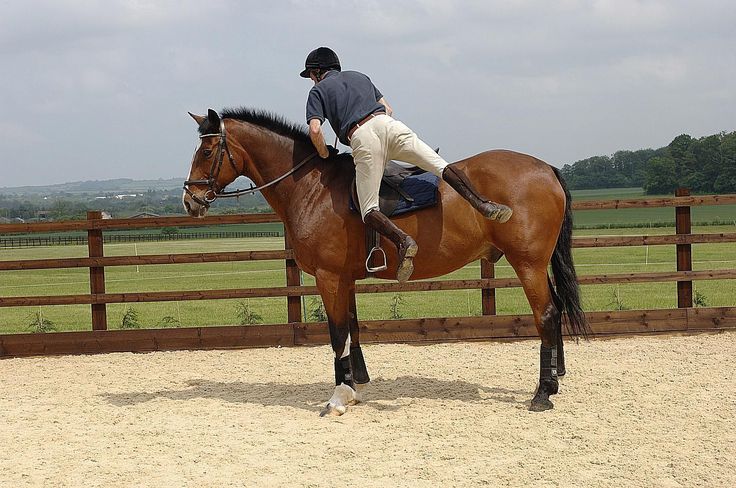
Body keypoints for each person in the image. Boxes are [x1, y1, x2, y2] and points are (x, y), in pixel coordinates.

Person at [302, 47, 512, 282]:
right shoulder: (360, 77)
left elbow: (315, 129)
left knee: (368, 209)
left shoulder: (318, 91)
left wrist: (324, 153)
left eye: (311, 75)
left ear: (317, 71)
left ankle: (404, 242)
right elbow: (388, 109)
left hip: (362, 136)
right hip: (389, 125)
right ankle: (484, 204)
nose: (311, 80)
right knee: (440, 166)